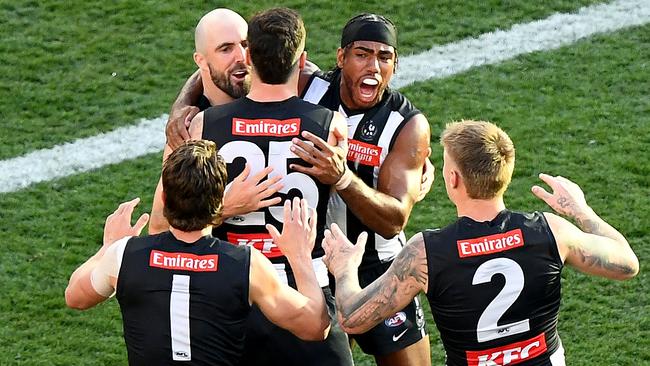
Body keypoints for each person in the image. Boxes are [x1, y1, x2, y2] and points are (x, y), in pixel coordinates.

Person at [322, 120, 640, 366]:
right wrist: (580, 211)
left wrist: (345, 268)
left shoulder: (425, 254)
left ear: (453, 179)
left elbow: (351, 318)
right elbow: (627, 263)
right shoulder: (552, 231)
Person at [154, 8, 355, 366]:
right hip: (304, 292)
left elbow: (159, 228)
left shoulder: (199, 127)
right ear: (302, 60)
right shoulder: (332, 125)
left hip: (231, 295)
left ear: (250, 57)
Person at [65, 140, 330, 365]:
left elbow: (75, 297)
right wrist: (300, 257)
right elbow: (314, 327)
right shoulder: (245, 264)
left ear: (166, 200)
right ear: (219, 200)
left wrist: (108, 246)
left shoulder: (123, 255)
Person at [289, 13, 433, 366]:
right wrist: (183, 106)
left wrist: (342, 178)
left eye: (384, 57)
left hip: (379, 267)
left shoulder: (406, 124)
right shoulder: (306, 87)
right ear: (341, 58)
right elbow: (239, 64)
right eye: (362, 54)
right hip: (314, 265)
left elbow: (394, 219)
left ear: (395, 65)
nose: (373, 66)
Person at [149, 8, 282, 234]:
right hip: (224, 267)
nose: (242, 56)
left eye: (245, 44)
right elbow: (160, 227)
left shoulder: (281, 89)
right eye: (225, 49)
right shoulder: (189, 130)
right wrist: (224, 208)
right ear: (200, 61)